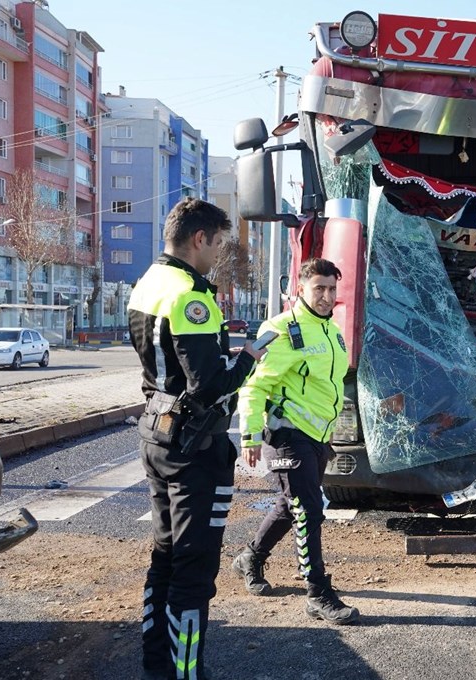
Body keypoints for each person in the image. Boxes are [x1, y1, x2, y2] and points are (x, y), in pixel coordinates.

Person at [127, 197, 265, 680]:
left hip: (156, 432)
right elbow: (207, 386)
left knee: (165, 556)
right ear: (199, 238)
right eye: (219, 243)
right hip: (194, 446)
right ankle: (187, 673)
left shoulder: (148, 282)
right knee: (194, 567)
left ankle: (157, 667)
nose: (219, 253)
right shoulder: (190, 294)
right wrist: (249, 357)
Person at [230, 257, 360, 625]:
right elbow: (255, 385)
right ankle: (318, 593)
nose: (326, 296)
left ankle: (250, 558)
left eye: (332, 289)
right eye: (319, 288)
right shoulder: (283, 329)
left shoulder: (331, 330)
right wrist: (250, 434)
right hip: (287, 435)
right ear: (300, 288)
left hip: (318, 437)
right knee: (309, 510)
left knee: (292, 506)